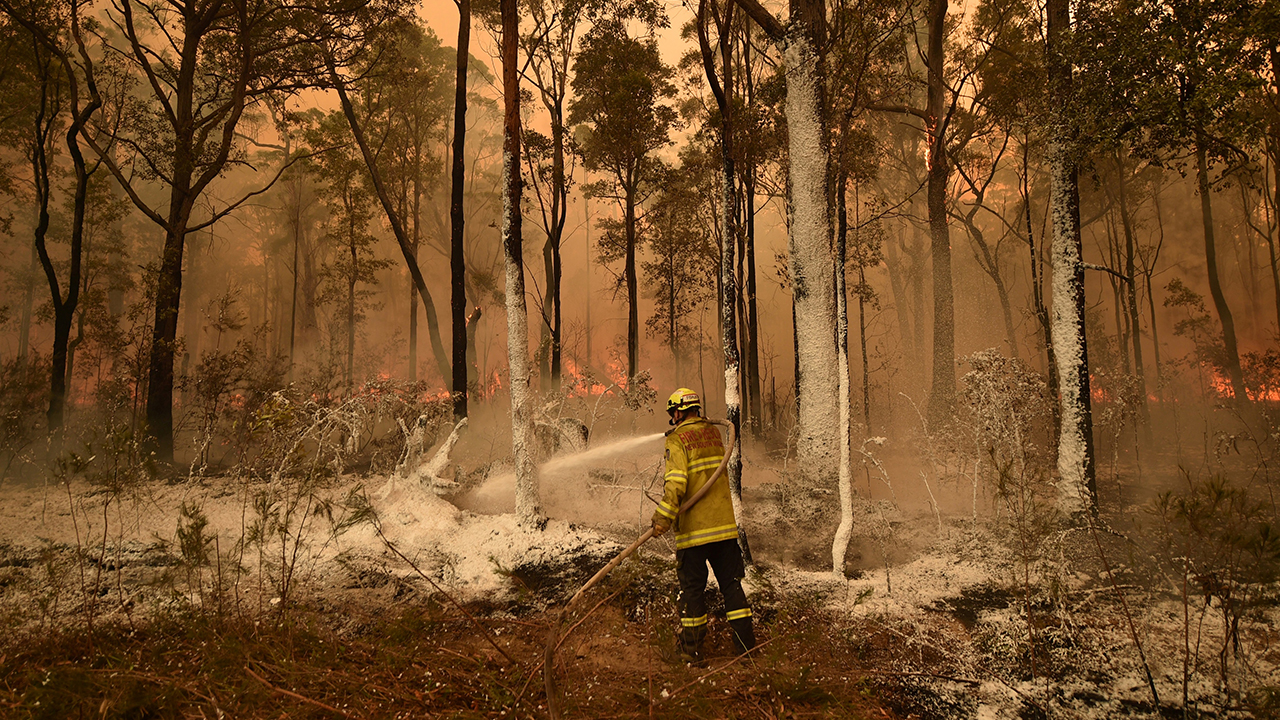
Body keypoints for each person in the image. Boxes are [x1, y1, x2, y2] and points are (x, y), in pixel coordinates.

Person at [651, 388, 755, 662]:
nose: (672, 418)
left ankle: (691, 651)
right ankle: (747, 650)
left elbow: (676, 483)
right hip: (723, 528)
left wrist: (663, 516)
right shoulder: (713, 433)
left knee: (693, 592)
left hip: (694, 533)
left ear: (678, 412)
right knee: (732, 586)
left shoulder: (676, 441)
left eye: (673, 412)